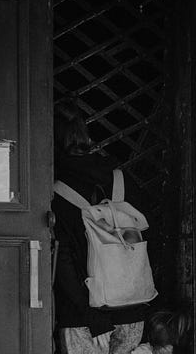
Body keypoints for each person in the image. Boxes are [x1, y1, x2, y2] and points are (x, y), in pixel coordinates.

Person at [54, 110, 146, 354]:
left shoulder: (57, 192)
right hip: (131, 308)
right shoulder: (121, 181)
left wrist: (89, 315)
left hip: (83, 316)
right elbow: (141, 242)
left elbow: (62, 262)